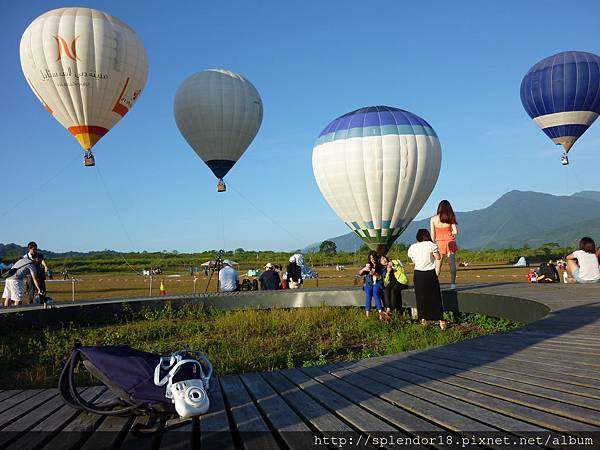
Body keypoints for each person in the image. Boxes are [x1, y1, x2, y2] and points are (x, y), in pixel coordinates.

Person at [408, 229, 446, 330]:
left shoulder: (412, 247)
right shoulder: (431, 245)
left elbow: (413, 260)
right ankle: (440, 320)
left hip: (418, 274)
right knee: (435, 296)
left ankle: (423, 320)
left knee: (421, 297)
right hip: (429, 273)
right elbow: (438, 257)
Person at [430, 200, 459, 289]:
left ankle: (434, 284)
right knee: (452, 264)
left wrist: (432, 244)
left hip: (439, 243)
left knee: (437, 265)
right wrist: (449, 232)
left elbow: (432, 234)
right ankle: (453, 284)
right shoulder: (450, 217)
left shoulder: (433, 219)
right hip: (450, 242)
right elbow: (456, 232)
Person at [358, 251, 388, 320]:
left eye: (373, 258)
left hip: (377, 283)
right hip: (368, 284)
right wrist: (364, 269)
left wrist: (374, 273)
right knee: (368, 295)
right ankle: (367, 315)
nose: (372, 259)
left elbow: (381, 277)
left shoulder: (381, 266)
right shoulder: (368, 266)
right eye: (371, 258)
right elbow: (359, 274)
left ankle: (381, 313)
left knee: (375, 293)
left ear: (376, 258)